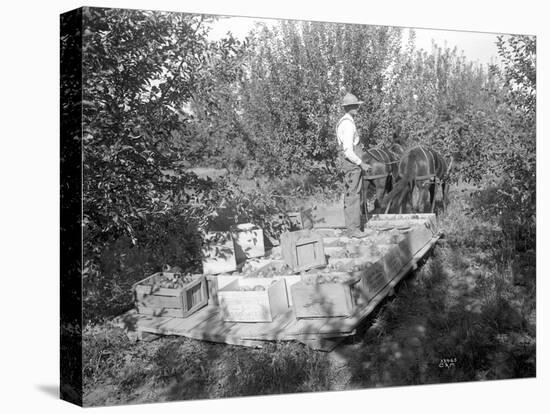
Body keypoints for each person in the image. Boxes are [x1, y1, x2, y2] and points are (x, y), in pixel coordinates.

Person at [336, 93, 371, 238]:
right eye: (355, 105)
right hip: (351, 165)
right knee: (353, 196)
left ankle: (352, 227)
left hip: (349, 165)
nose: (357, 107)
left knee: (351, 195)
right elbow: (348, 151)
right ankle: (354, 229)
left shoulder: (344, 122)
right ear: (349, 107)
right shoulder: (348, 125)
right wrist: (361, 163)